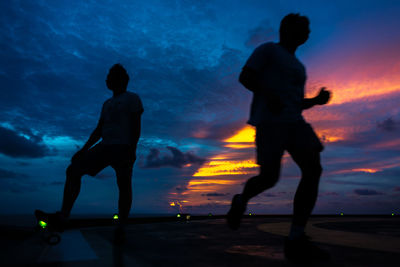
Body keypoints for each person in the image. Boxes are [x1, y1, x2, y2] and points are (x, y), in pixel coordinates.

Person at [227, 13, 331, 261]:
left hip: (295, 123)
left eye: (308, 29)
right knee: (269, 179)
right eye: (303, 28)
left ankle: (296, 236)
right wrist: (269, 95)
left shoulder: (299, 66)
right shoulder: (268, 51)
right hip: (269, 123)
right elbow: (245, 77)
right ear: (287, 30)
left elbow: (294, 103)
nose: (307, 33)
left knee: (313, 169)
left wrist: (315, 101)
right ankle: (241, 200)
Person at [38, 63, 143, 243]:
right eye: (108, 76)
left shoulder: (132, 98)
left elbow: (136, 126)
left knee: (124, 185)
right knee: (73, 170)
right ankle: (64, 216)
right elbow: (99, 129)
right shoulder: (107, 104)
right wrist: (84, 150)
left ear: (122, 80)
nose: (107, 79)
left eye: (111, 76)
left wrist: (132, 149)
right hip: (105, 145)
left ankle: (122, 225)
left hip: (122, 147)